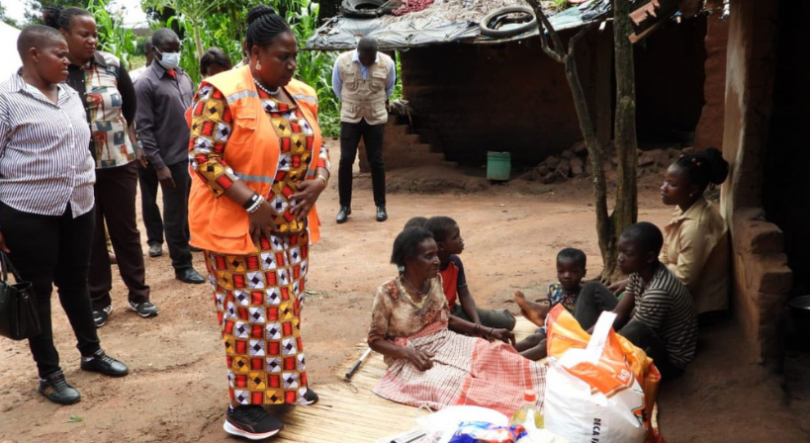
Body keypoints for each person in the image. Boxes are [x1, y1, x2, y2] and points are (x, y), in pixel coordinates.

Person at [187, 5, 330, 440]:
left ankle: (283, 387)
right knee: (253, 315)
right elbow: (201, 156)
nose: (292, 65)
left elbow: (318, 149)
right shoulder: (221, 91)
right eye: (282, 57)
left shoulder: (302, 93)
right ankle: (243, 407)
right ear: (254, 54)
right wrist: (252, 203)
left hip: (292, 227)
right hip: (242, 228)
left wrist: (320, 180)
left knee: (284, 312)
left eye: (294, 57)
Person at [0, 25, 128, 405]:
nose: (68, 60)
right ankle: (49, 373)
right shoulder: (7, 100)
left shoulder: (71, 94)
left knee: (76, 282)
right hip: (28, 210)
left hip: (77, 204)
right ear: (34, 54)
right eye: (59, 54)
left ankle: (91, 352)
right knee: (38, 291)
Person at [43, 6, 157, 328]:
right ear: (64, 35)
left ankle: (139, 294)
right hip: (77, 169)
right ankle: (99, 300)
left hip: (118, 163)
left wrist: (122, 144)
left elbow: (129, 108)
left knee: (126, 231)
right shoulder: (56, 71)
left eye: (95, 34)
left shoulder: (112, 64)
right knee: (89, 235)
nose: (92, 40)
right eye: (85, 34)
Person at [369, 227, 546, 416]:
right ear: (408, 259)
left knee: (493, 354)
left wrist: (487, 330)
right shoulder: (388, 293)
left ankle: (551, 395)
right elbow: (374, 340)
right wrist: (408, 354)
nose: (437, 261)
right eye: (429, 256)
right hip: (409, 357)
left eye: (436, 254)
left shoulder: (435, 281)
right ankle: (519, 410)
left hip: (445, 340)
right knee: (455, 381)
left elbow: (446, 318)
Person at [611, 148, 730, 319]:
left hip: (694, 309)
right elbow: (665, 256)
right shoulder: (683, 209)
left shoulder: (697, 226)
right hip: (664, 291)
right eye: (665, 181)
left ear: (693, 190)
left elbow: (684, 279)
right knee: (596, 293)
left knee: (619, 314)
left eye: (672, 184)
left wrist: (644, 286)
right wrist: (635, 281)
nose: (663, 188)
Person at [135, 28, 205, 284]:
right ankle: (182, 265)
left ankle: (188, 244)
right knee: (174, 214)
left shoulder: (183, 76)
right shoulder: (146, 84)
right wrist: (159, 165)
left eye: (177, 49)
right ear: (155, 52)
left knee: (190, 207)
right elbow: (144, 127)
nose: (174, 54)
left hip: (191, 156)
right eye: (169, 50)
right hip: (170, 159)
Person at [609, 222, 698, 379]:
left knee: (634, 329)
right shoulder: (639, 271)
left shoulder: (658, 291)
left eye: (627, 254)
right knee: (592, 290)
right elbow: (619, 313)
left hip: (669, 362)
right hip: (646, 334)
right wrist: (585, 338)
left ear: (649, 257)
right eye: (620, 252)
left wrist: (589, 346)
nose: (620, 259)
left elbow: (627, 338)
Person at [332, 36, 396, 224]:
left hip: (375, 118)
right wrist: (353, 101)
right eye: (363, 57)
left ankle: (380, 206)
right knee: (345, 160)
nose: (366, 61)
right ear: (357, 52)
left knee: (376, 160)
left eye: (370, 58)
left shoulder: (387, 63)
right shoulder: (342, 61)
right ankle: (344, 206)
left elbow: (389, 88)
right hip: (350, 118)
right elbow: (338, 88)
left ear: (375, 54)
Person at [513, 248, 618, 360]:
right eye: (561, 271)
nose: (567, 275)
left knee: (545, 345)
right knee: (533, 338)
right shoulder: (554, 288)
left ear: (583, 273)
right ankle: (502, 351)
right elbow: (553, 309)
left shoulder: (585, 295)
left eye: (573, 271)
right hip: (554, 326)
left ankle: (513, 362)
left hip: (569, 332)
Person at [424, 216, 516, 331]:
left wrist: (478, 324)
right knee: (465, 337)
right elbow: (437, 315)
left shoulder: (455, 262)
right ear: (441, 246)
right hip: (436, 321)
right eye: (455, 237)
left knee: (508, 321)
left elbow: (465, 295)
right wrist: (477, 329)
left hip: (454, 311)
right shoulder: (426, 271)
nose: (461, 240)